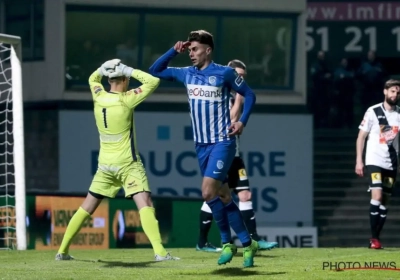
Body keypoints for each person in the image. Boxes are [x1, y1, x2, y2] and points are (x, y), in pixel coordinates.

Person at [149, 30, 258, 267]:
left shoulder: (225, 73)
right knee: (224, 195)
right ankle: (248, 244)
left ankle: (226, 242)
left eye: (195, 49)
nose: (191, 54)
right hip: (201, 145)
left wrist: (241, 122)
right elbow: (154, 71)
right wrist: (173, 51)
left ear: (208, 50)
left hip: (222, 141)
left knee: (208, 193)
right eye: (189, 50)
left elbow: (249, 95)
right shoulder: (187, 74)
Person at [55, 59, 179, 262]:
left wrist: (100, 69)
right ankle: (160, 253)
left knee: (87, 206)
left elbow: (92, 78)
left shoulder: (99, 95)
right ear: (123, 78)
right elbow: (152, 82)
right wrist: (129, 69)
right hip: (127, 164)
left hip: (105, 165)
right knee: (145, 202)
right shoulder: (126, 99)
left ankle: (62, 251)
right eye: (127, 78)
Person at [196, 59, 278, 252]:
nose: (241, 80)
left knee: (245, 194)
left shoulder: (236, 95)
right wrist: (240, 99)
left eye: (244, 77)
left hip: (235, 155)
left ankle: (254, 239)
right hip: (221, 154)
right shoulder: (221, 95)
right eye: (238, 76)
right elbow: (231, 121)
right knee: (213, 195)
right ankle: (202, 241)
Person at [355, 79, 400, 249]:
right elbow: (361, 137)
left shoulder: (399, 115)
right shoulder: (373, 111)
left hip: (392, 163)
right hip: (374, 160)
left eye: (398, 92)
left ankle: (375, 238)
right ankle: (374, 238)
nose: (395, 95)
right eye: (392, 91)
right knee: (378, 196)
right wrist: (359, 160)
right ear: (385, 92)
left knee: (385, 201)